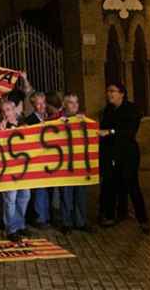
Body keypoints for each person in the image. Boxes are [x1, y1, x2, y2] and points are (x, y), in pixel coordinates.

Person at [99, 83, 150, 234]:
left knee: (131, 184)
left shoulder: (131, 109)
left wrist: (110, 132)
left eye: (113, 91)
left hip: (128, 153)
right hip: (111, 152)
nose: (109, 94)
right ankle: (111, 214)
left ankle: (143, 219)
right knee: (111, 182)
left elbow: (129, 131)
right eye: (108, 91)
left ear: (122, 94)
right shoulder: (108, 110)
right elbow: (102, 127)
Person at [58, 93, 94, 235]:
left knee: (81, 195)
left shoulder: (83, 120)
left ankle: (81, 222)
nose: (74, 105)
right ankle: (66, 223)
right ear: (65, 105)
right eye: (71, 102)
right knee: (66, 195)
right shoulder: (58, 120)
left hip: (79, 165)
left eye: (76, 102)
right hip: (65, 165)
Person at [0, 100, 31, 242]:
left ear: (14, 110)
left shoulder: (24, 124)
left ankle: (20, 224)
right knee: (10, 199)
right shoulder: (0, 127)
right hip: (8, 169)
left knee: (24, 196)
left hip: (23, 169)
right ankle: (11, 229)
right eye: (4, 110)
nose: (6, 113)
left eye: (9, 109)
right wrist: (2, 132)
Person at [24, 92, 51, 229]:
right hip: (37, 160)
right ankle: (39, 218)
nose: (41, 106)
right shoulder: (29, 120)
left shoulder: (51, 118)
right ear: (33, 105)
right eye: (38, 104)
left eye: (43, 103)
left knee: (47, 189)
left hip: (49, 159)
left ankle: (46, 216)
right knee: (39, 189)